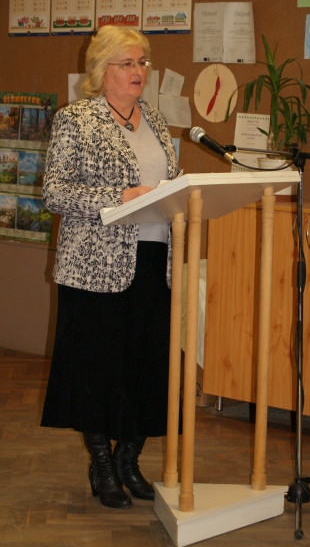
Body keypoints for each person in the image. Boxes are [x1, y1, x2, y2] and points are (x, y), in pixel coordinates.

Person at [40, 25, 180, 508]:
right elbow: (55, 192)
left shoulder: (156, 120)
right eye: (127, 63)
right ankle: (102, 464)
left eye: (143, 62)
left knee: (146, 366)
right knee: (98, 369)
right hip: (95, 266)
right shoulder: (75, 119)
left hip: (155, 260)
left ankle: (129, 459)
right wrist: (119, 196)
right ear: (102, 70)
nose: (138, 71)